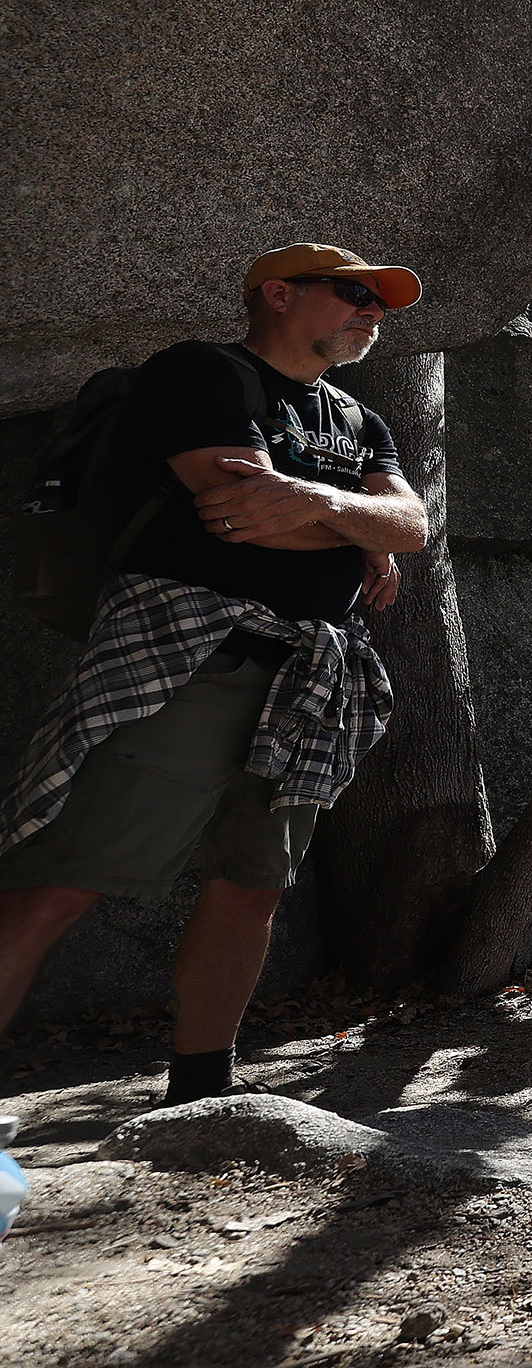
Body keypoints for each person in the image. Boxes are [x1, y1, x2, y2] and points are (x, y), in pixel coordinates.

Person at [0, 244, 426, 1097]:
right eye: (352, 294)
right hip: (186, 659)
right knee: (59, 879)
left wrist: (316, 504)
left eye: (380, 303)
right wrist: (353, 526)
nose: (372, 312)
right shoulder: (199, 373)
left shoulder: (358, 418)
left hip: (310, 678)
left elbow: (411, 524)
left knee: (252, 885)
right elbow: (241, 517)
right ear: (277, 294)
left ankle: (201, 1091)